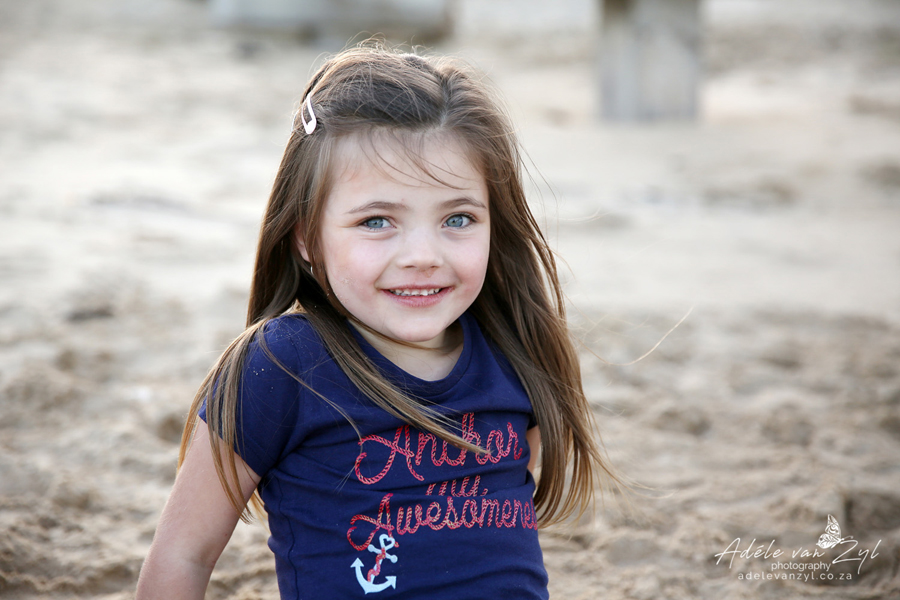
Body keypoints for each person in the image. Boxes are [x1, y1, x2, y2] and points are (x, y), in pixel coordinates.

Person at [136, 43, 617, 599]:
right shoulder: (280, 368)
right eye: (376, 221)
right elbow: (184, 555)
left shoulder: (516, 350)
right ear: (306, 237)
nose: (423, 255)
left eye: (458, 218)